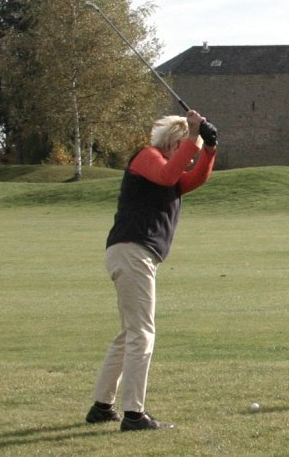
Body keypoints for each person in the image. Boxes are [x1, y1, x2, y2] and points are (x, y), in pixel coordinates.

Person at [87, 111, 218, 431]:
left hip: (133, 254)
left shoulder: (171, 172)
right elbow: (167, 175)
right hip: (133, 253)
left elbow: (194, 178)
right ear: (175, 141)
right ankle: (134, 414)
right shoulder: (148, 157)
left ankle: (101, 407)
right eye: (187, 147)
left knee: (129, 334)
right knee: (142, 334)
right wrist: (194, 137)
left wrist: (210, 150)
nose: (189, 157)